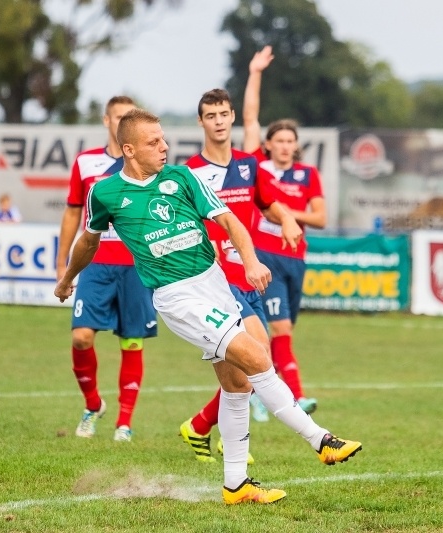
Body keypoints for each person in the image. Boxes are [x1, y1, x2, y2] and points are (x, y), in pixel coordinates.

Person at [54, 108, 362, 505]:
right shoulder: (106, 192)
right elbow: (89, 241)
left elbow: (231, 221)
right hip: (177, 296)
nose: (164, 147)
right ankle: (321, 440)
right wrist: (67, 279)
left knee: (237, 385)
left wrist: (251, 261)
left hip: (215, 284)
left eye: (164, 139)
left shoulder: (182, 178)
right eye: (153, 143)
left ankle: (236, 485)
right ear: (128, 149)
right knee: (256, 354)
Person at [179, 88, 301, 463]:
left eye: (223, 114)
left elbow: (268, 202)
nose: (218, 122)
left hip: (249, 277)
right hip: (215, 279)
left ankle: (200, 426)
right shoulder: (188, 172)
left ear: (232, 118)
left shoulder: (249, 165)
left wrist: (288, 218)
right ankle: (226, 440)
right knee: (258, 354)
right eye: (210, 116)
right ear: (201, 122)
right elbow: (182, 224)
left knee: (247, 368)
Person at [56, 96, 157, 443]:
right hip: (96, 264)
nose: (122, 121)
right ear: (107, 120)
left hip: (136, 266)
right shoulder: (87, 163)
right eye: (118, 117)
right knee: (81, 336)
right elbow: (72, 213)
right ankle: (93, 404)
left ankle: (124, 423)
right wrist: (62, 261)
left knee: (131, 342)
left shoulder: (147, 166)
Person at [241, 46, 328, 414]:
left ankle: (260, 392)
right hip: (266, 259)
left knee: (281, 331)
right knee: (280, 331)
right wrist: (256, 72)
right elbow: (249, 118)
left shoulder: (308, 175)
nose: (285, 146)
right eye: (279, 140)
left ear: (296, 146)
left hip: (296, 259)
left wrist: (286, 213)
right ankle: (293, 395)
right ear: (269, 145)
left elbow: (320, 218)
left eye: (291, 141)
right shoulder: (257, 166)